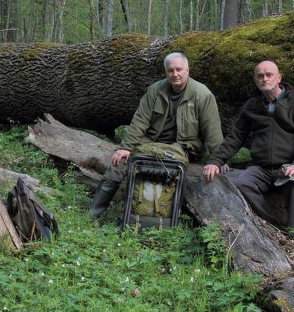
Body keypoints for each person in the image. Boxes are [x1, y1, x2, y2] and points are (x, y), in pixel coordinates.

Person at [90, 52, 224, 217]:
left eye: (179, 69)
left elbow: (213, 130)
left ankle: (159, 214)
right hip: (152, 143)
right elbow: (140, 121)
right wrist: (125, 148)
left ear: (188, 70)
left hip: (184, 147)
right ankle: (94, 213)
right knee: (118, 165)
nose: (175, 74)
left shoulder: (202, 95)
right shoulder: (155, 91)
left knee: (166, 169)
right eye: (170, 70)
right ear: (166, 72)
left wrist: (218, 160)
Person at [203, 61, 294, 229]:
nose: (265, 79)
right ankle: (272, 227)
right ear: (255, 80)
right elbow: (236, 136)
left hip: (287, 166)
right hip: (260, 168)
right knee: (242, 184)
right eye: (260, 76)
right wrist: (215, 161)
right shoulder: (252, 105)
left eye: (269, 75)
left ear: (279, 77)